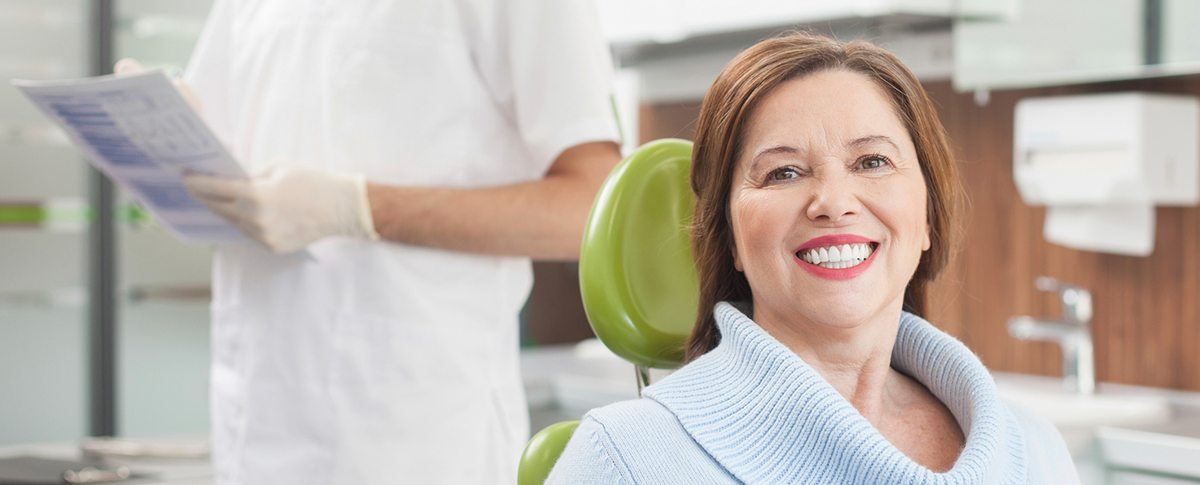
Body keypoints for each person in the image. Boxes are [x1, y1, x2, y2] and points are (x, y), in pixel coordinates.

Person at [546, 32, 1079, 484]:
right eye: (782, 172)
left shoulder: (1037, 455)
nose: (834, 203)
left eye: (872, 161)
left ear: (927, 218)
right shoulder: (625, 461)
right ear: (728, 237)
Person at [128, 1, 621, 484]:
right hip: (253, 429)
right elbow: (225, 157)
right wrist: (166, 147)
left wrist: (355, 206)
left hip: (413, 439)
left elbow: (588, 209)